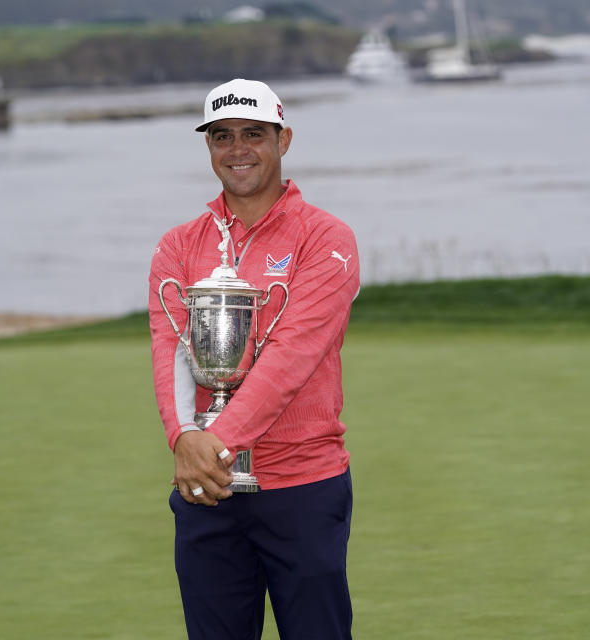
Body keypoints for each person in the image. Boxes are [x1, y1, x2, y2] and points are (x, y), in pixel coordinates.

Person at [148, 78, 360, 640]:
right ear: (209, 147)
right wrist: (182, 437)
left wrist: (209, 447)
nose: (237, 149)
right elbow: (167, 347)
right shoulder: (178, 245)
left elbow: (292, 358)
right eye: (222, 136)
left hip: (302, 485)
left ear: (283, 139)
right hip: (207, 489)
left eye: (253, 134)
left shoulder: (326, 238)